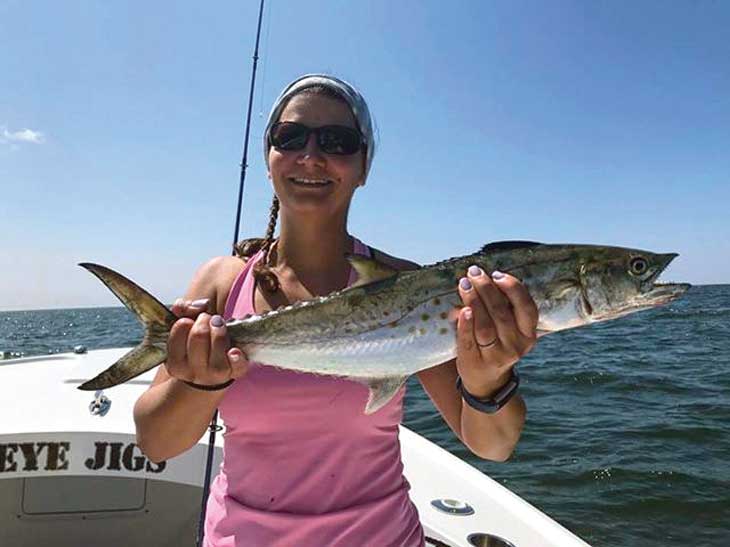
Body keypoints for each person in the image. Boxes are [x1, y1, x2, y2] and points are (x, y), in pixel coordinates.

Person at [133, 74, 538, 547]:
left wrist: (489, 380)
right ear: (269, 159)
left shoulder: (407, 284)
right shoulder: (222, 282)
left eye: (337, 141)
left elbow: (493, 445)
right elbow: (157, 442)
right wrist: (199, 383)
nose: (311, 156)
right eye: (290, 137)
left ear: (364, 166)